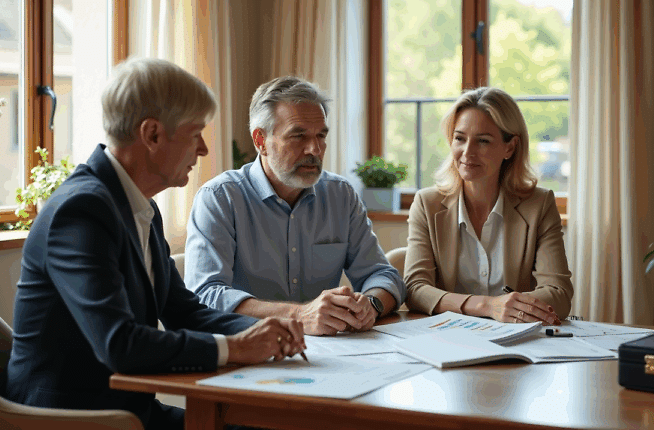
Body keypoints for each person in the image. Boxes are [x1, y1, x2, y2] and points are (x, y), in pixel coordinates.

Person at [6, 58, 305, 430]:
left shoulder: (140, 206)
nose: (203, 150)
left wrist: (278, 329)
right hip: (73, 421)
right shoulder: (80, 211)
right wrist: (240, 347)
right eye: (195, 133)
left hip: (127, 413)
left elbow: (185, 312)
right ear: (152, 135)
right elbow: (120, 344)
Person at [185, 76, 405, 335]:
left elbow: (383, 275)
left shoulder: (340, 195)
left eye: (321, 135)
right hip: (245, 350)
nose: (314, 149)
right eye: (298, 136)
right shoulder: (220, 198)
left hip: (328, 354)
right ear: (260, 141)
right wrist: (299, 315)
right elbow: (206, 295)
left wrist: (371, 304)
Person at [403, 87, 573, 323]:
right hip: (447, 337)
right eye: (460, 138)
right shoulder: (426, 204)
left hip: (515, 339)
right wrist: (486, 305)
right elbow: (414, 289)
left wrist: (510, 309)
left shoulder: (539, 205)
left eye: (482, 141)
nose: (467, 152)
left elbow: (559, 294)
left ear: (510, 147)